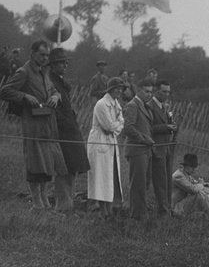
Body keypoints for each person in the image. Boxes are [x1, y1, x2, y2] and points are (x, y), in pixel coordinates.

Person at [0, 40, 68, 210]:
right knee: (35, 163)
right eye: (41, 55)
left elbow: (53, 90)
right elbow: (5, 90)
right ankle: (37, 203)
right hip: (33, 126)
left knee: (47, 164)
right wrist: (24, 96)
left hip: (48, 125)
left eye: (47, 55)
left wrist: (55, 96)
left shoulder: (44, 72)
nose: (45, 58)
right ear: (32, 53)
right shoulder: (23, 72)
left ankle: (44, 201)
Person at [47, 47, 90, 212]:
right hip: (61, 132)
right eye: (61, 62)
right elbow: (53, 109)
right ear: (52, 64)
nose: (65, 65)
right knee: (63, 170)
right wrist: (65, 123)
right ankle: (62, 207)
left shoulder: (61, 82)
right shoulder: (50, 82)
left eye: (66, 62)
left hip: (70, 131)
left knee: (72, 168)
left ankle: (67, 205)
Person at [86, 78, 125, 216]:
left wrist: (116, 125)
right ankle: (103, 211)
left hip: (111, 142)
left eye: (121, 88)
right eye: (117, 88)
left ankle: (109, 209)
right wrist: (117, 125)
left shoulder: (116, 104)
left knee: (110, 176)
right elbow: (108, 126)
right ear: (110, 89)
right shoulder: (102, 104)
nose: (120, 91)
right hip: (100, 142)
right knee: (101, 177)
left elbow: (121, 123)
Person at [122, 82, 156, 219]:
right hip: (136, 150)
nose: (149, 94)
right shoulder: (132, 105)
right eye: (147, 91)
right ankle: (137, 215)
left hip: (145, 150)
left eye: (151, 92)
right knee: (138, 184)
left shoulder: (145, 106)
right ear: (139, 91)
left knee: (145, 183)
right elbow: (128, 128)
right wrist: (144, 139)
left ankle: (141, 212)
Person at [148, 80, 177, 215]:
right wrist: (166, 127)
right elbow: (148, 128)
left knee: (167, 182)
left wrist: (171, 126)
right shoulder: (149, 106)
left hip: (166, 149)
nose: (166, 94)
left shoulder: (164, 107)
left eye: (168, 92)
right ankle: (163, 211)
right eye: (163, 91)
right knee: (160, 182)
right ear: (156, 91)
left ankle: (168, 208)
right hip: (156, 149)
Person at [171, 154, 209, 223]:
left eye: (194, 167)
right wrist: (201, 184)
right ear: (186, 166)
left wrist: (200, 183)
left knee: (203, 195)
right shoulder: (178, 176)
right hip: (175, 209)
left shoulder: (185, 174)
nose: (194, 170)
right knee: (199, 195)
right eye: (192, 167)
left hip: (181, 204)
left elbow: (194, 184)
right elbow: (193, 190)